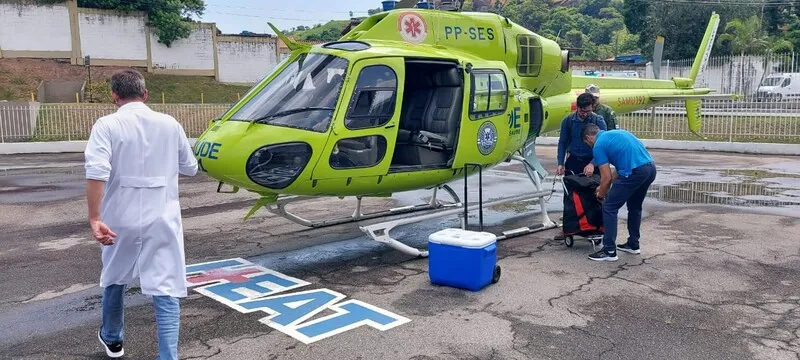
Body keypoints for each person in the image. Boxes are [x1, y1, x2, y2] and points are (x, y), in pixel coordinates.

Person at [85, 69, 198, 359]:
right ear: (145, 94)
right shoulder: (170, 124)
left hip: (118, 219)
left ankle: (112, 338)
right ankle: (168, 356)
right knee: (167, 285)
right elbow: (190, 168)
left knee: (114, 277)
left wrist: (95, 218)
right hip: (162, 218)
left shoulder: (106, 124)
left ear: (114, 95)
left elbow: (97, 172)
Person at [581, 123, 657, 262]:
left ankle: (609, 250)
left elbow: (606, 177)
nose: (589, 146)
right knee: (634, 207)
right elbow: (621, 168)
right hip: (650, 168)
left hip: (636, 172)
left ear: (588, 138)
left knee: (609, 207)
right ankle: (633, 245)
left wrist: (601, 193)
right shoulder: (617, 134)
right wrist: (602, 186)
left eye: (587, 143)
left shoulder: (598, 145)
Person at [554, 92, 607, 241]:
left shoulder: (598, 120)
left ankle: (596, 226)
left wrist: (593, 163)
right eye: (582, 111)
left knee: (594, 195)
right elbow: (563, 142)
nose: (585, 114)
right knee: (570, 196)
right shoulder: (568, 121)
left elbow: (604, 144)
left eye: (588, 111)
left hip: (593, 160)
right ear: (577, 108)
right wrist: (560, 163)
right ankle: (569, 229)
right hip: (574, 161)